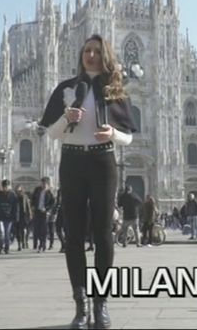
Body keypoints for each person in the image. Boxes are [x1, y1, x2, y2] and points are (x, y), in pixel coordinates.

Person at [38, 33, 137, 330]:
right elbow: (51, 133)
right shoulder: (67, 88)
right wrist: (66, 119)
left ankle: (100, 303)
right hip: (72, 162)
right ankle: (81, 306)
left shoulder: (114, 90)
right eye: (86, 50)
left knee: (104, 234)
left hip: (103, 162)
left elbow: (128, 136)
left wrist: (112, 134)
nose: (90, 55)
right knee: (74, 235)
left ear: (104, 55)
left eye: (96, 51)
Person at [31, 177, 55, 253]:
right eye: (42, 183)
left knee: (43, 230)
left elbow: (52, 203)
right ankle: (41, 243)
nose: (43, 185)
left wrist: (47, 209)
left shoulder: (49, 192)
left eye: (45, 184)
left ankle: (42, 245)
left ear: (47, 184)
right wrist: (33, 206)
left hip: (44, 213)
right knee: (37, 229)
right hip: (37, 211)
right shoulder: (37, 190)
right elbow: (33, 199)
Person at [0, 179, 18, 254]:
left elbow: (15, 207)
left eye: (7, 186)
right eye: (4, 186)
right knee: (1, 232)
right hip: (0, 216)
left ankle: (7, 247)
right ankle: (0, 247)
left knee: (7, 232)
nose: (5, 188)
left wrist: (15, 216)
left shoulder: (13, 195)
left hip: (9, 217)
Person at [15, 186, 32, 252]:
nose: (19, 192)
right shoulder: (15, 197)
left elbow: (28, 206)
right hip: (16, 216)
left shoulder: (25, 197)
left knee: (22, 231)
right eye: (18, 190)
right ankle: (19, 244)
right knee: (17, 231)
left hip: (23, 216)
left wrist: (30, 214)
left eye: (20, 190)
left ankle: (24, 242)